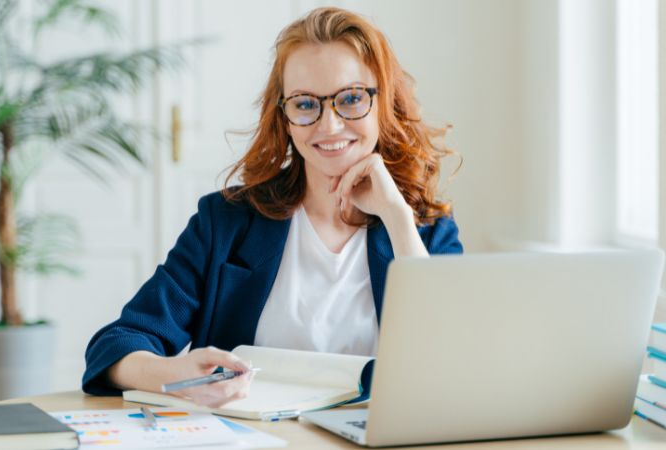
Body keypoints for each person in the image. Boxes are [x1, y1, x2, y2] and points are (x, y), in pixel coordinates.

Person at [82, 6, 463, 408]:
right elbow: (115, 347)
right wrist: (174, 374)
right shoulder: (226, 223)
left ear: (384, 103)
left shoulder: (424, 229)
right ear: (283, 116)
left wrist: (397, 216)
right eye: (304, 104)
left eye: (351, 98)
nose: (329, 125)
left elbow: (457, 359)